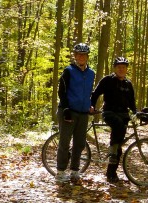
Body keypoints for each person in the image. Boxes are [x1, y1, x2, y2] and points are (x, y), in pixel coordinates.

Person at [90, 56, 137, 183]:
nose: (121, 69)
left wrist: (136, 112)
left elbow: (132, 102)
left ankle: (111, 173)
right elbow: (95, 94)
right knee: (118, 126)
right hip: (109, 112)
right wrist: (92, 106)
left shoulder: (128, 84)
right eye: (119, 67)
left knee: (118, 147)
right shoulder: (107, 80)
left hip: (123, 115)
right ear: (115, 68)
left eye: (123, 67)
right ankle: (112, 150)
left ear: (126, 69)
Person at [56, 43, 95, 183]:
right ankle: (60, 172)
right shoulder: (69, 71)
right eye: (78, 54)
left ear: (87, 57)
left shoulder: (91, 74)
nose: (81, 57)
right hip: (68, 111)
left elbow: (89, 93)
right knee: (64, 142)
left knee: (79, 144)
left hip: (83, 113)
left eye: (83, 55)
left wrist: (91, 106)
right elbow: (62, 91)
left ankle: (74, 171)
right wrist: (66, 108)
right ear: (75, 56)